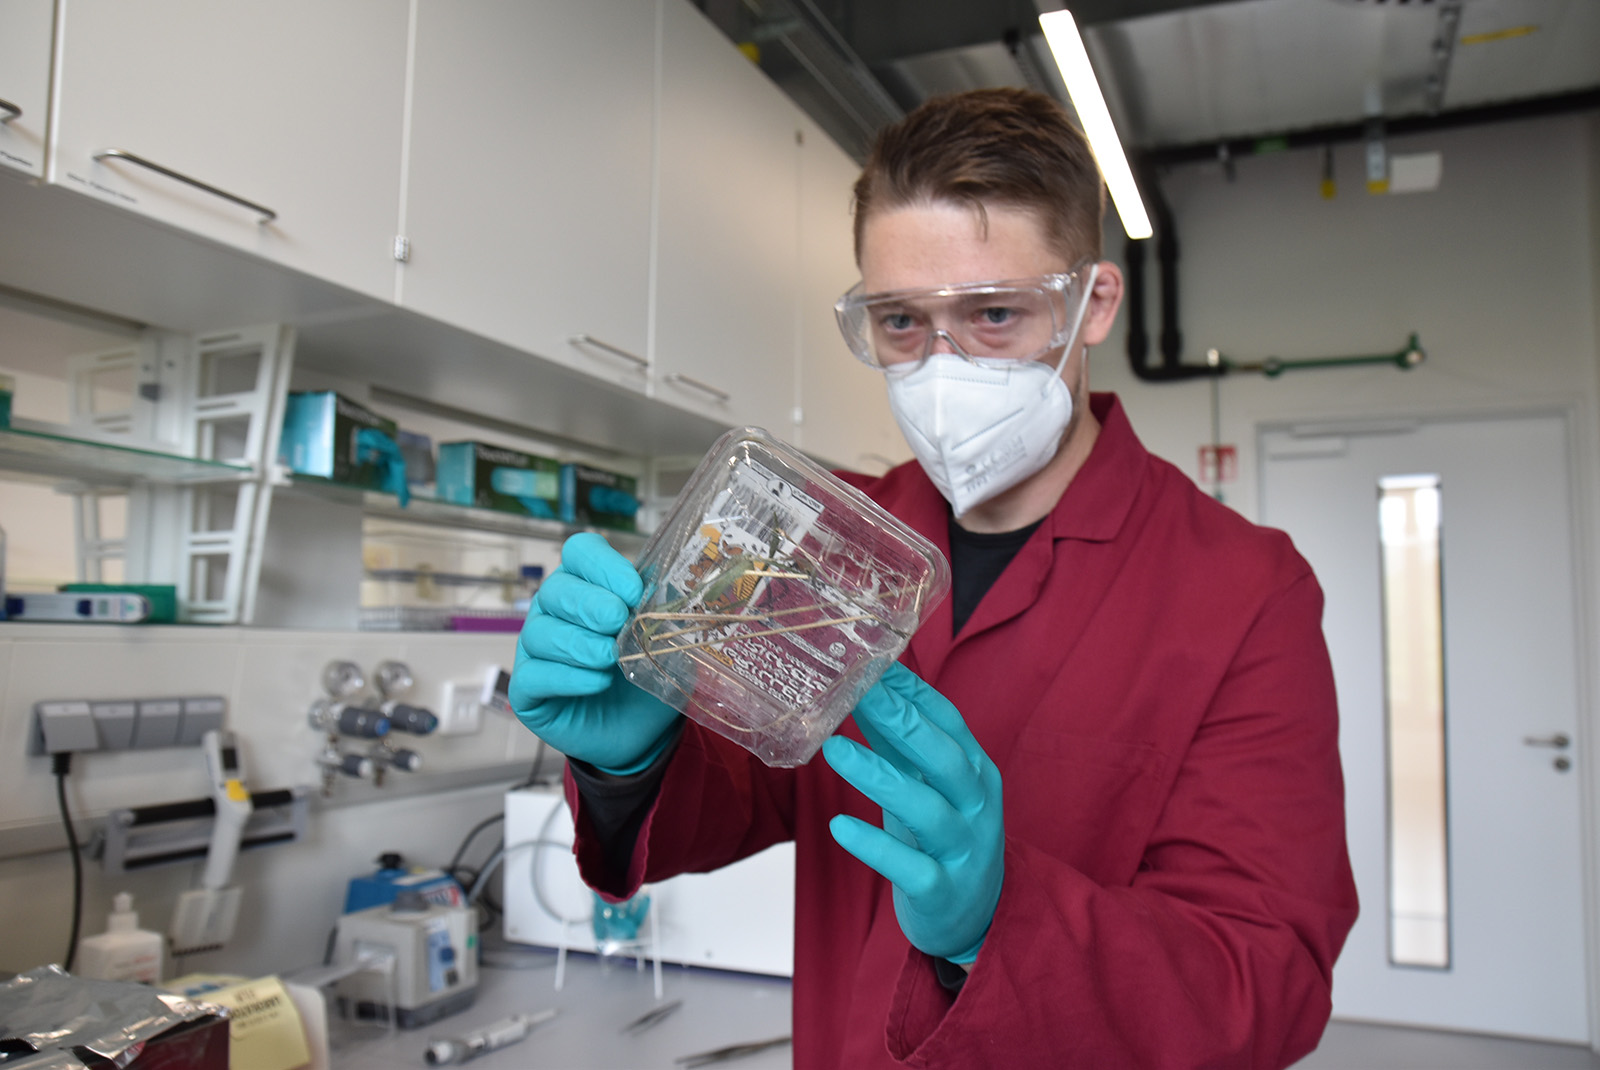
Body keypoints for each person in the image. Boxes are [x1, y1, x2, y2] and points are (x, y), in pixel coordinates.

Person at [511, 87, 1357, 1068]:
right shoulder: (823, 542)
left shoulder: (1243, 589)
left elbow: (1267, 980)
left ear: (1092, 305)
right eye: (901, 321)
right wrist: (633, 760)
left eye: (995, 312)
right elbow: (750, 793)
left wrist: (1000, 920)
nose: (940, 365)